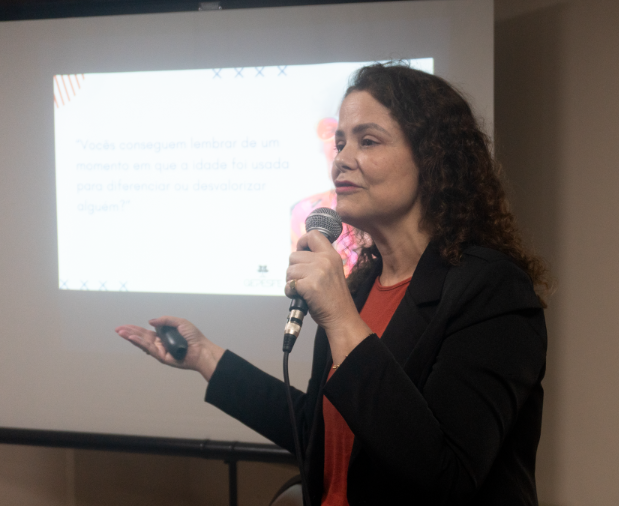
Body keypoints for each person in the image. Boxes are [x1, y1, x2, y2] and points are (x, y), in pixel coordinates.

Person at [115, 62, 549, 506]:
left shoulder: (490, 290)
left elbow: (447, 477)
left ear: (432, 157)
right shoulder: (360, 288)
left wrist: (341, 319)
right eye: (340, 142)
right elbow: (320, 434)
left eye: (368, 141)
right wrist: (206, 356)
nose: (340, 159)